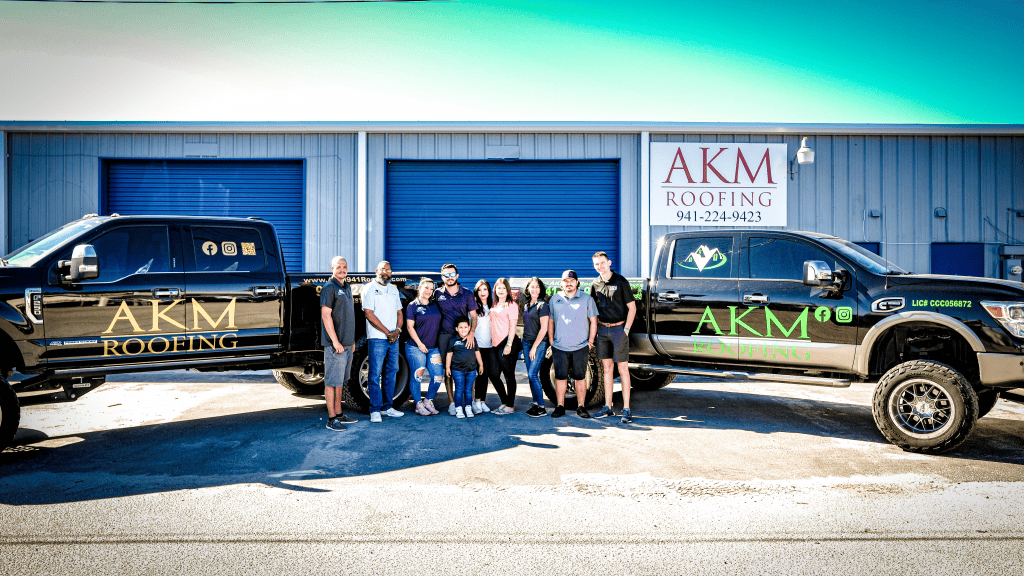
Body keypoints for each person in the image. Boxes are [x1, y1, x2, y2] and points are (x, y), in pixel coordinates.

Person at [590, 251, 637, 424]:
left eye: (602, 263)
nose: (600, 267)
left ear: (609, 263)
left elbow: (632, 308)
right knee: (607, 369)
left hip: (619, 330)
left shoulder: (621, 281)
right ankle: (607, 407)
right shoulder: (595, 284)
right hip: (603, 331)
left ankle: (626, 409)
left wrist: (626, 329)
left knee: (623, 369)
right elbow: (593, 310)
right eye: (596, 264)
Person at [547, 270, 598, 419]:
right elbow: (551, 321)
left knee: (580, 377)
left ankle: (581, 407)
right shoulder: (555, 299)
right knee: (560, 377)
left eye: (571, 281)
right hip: (560, 347)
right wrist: (551, 340)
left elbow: (593, 321)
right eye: (565, 281)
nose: (568, 283)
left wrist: (590, 341)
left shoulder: (587, 299)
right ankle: (560, 406)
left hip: (580, 346)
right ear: (561, 283)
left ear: (576, 282)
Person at [362, 260, 405, 423]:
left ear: (391, 273)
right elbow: (369, 314)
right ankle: (375, 409)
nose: (385, 272)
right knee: (374, 375)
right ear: (376, 271)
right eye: (382, 269)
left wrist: (398, 330)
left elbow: (399, 312)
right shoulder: (369, 288)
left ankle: (388, 407)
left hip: (394, 338)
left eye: (388, 270)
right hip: (377, 338)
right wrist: (388, 332)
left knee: (391, 372)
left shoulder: (393, 290)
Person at [320, 256, 358, 431]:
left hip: (347, 344)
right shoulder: (329, 287)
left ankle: (339, 413)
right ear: (332, 268)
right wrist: (335, 341)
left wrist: (351, 341)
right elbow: (326, 315)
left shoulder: (347, 287)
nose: (342, 270)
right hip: (336, 345)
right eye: (338, 267)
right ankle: (331, 419)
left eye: (345, 267)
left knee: (340, 381)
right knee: (331, 381)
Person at [435, 263, 478, 415]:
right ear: (442, 277)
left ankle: (469, 402)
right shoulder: (437, 294)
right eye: (446, 275)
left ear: (457, 276)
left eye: (452, 274)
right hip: (445, 336)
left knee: (468, 367)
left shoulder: (467, 293)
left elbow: (473, 316)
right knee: (448, 370)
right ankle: (452, 402)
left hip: (465, 336)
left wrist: (471, 333)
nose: (450, 277)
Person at [406, 277, 443, 416]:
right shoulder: (412, 306)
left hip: (433, 348)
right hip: (415, 347)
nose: (429, 291)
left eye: (431, 288)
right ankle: (418, 404)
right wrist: (420, 344)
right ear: (419, 288)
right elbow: (410, 327)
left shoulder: (435, 305)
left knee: (438, 376)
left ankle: (428, 400)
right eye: (426, 287)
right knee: (417, 376)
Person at [487, 277, 521, 415]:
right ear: (495, 289)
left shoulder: (512, 305)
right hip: (494, 344)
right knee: (493, 374)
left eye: (503, 288)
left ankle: (510, 405)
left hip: (507, 343)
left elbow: (513, 327)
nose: (501, 290)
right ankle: (504, 402)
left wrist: (509, 344)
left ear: (508, 290)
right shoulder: (494, 305)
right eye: (498, 288)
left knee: (509, 375)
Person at [520, 277, 550, 418]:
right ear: (528, 289)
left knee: (533, 374)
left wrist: (534, 348)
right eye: (532, 287)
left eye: (537, 287)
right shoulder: (527, 305)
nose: (535, 289)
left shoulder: (542, 305)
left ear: (540, 289)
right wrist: (524, 347)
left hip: (538, 344)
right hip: (526, 343)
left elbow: (544, 329)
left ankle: (542, 407)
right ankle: (535, 403)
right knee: (530, 376)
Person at [445, 317, 484, 419]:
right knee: (459, 389)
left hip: (471, 370)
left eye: (465, 327)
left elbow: (477, 353)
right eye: (461, 327)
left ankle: (468, 408)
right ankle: (458, 409)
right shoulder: (453, 340)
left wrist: (481, 364)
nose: (463, 329)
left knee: (469, 390)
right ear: (456, 329)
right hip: (457, 370)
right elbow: (449, 354)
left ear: (469, 328)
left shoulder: (472, 339)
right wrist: (448, 367)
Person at [471, 279, 495, 414]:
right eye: (479, 290)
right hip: (477, 346)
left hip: (490, 346)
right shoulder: (473, 307)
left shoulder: (493, 306)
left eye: (485, 289)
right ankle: (476, 401)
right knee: (478, 374)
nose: (482, 292)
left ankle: (482, 401)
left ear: (489, 291)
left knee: (485, 374)